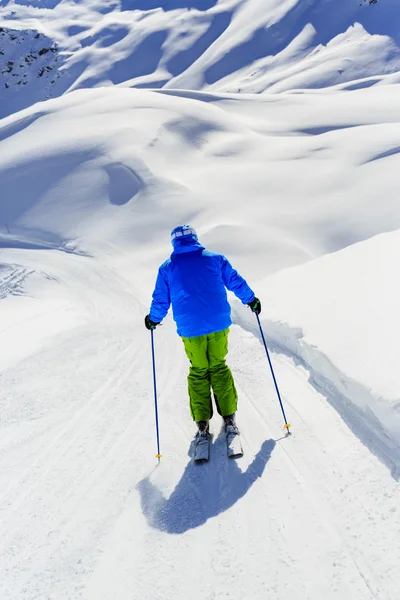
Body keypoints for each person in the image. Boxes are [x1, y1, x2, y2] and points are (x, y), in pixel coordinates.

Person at [145, 224, 261, 439]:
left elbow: (161, 298)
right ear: (195, 238)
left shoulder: (168, 267)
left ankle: (202, 423)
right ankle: (229, 418)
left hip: (191, 328)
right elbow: (235, 281)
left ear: (174, 242)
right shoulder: (215, 258)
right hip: (218, 323)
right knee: (218, 366)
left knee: (199, 371)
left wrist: (153, 319)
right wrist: (251, 300)